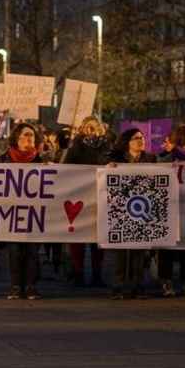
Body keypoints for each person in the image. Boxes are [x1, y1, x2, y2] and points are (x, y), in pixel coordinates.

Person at [106, 128, 157, 299]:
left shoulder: (151, 159)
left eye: (142, 138)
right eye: (136, 138)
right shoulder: (116, 159)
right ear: (127, 142)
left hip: (143, 209)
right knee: (120, 251)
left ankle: (138, 286)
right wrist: (109, 168)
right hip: (121, 209)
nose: (140, 141)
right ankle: (118, 286)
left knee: (139, 251)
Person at [62, 116, 109, 288]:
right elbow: (67, 167)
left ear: (99, 129)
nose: (91, 130)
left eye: (93, 127)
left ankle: (97, 273)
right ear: (83, 129)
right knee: (78, 237)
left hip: (99, 195)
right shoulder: (76, 145)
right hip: (79, 196)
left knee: (98, 237)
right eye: (87, 127)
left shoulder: (106, 145)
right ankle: (78, 271)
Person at [0, 122, 42, 300]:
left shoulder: (40, 160)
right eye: (25, 135)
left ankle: (31, 286)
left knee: (33, 250)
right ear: (16, 138)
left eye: (31, 135)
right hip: (12, 212)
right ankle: (16, 286)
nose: (28, 138)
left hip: (34, 212)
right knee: (15, 250)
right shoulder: (4, 159)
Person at [157, 125, 185, 298]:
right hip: (170, 206)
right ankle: (166, 280)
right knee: (167, 244)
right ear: (184, 139)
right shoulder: (167, 158)